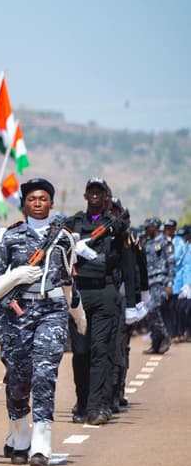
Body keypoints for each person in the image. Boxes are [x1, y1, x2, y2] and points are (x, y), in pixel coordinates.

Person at [0, 178, 80, 466]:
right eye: (31, 199)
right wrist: (15, 277)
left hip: (51, 310)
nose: (37, 203)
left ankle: (41, 442)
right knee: (18, 379)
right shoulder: (8, 236)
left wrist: (79, 316)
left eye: (43, 199)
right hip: (16, 313)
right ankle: (21, 433)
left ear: (51, 203)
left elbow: (68, 280)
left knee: (44, 372)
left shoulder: (64, 238)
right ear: (23, 204)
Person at [65, 178, 136, 425]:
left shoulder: (116, 226)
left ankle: (97, 407)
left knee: (100, 351)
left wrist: (134, 302)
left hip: (105, 292)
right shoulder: (73, 223)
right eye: (91, 191)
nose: (95, 195)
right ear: (85, 195)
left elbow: (128, 263)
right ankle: (82, 401)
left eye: (100, 191)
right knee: (81, 353)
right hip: (79, 294)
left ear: (107, 197)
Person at [142, 218, 175, 355]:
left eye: (148, 227)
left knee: (152, 310)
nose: (145, 229)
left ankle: (165, 335)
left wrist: (169, 283)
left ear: (155, 227)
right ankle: (156, 343)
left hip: (160, 280)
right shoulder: (146, 242)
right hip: (148, 282)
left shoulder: (165, 242)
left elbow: (171, 263)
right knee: (148, 314)